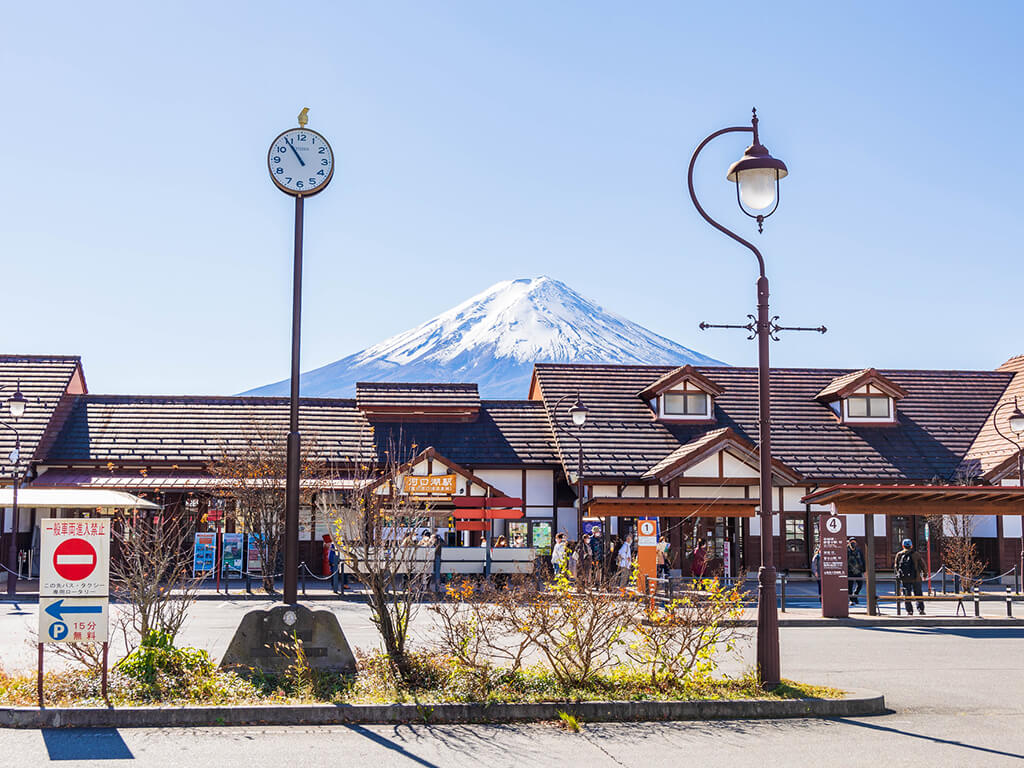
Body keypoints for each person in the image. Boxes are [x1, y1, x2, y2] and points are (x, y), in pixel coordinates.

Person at [895, 538, 927, 615]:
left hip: (905, 579)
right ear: (911, 546)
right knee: (918, 594)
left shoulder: (899, 555)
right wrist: (924, 574)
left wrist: (899, 575)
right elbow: (923, 565)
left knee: (907, 595)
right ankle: (921, 609)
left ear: (903, 546)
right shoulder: (916, 554)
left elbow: (896, 566)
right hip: (916, 578)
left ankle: (909, 611)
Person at [847, 537, 866, 606]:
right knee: (849, 586)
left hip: (858, 570)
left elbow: (863, 560)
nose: (853, 543)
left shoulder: (859, 550)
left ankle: (855, 595)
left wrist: (864, 570)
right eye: (851, 542)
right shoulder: (846, 550)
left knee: (860, 584)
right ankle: (851, 600)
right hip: (849, 570)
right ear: (849, 542)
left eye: (854, 542)